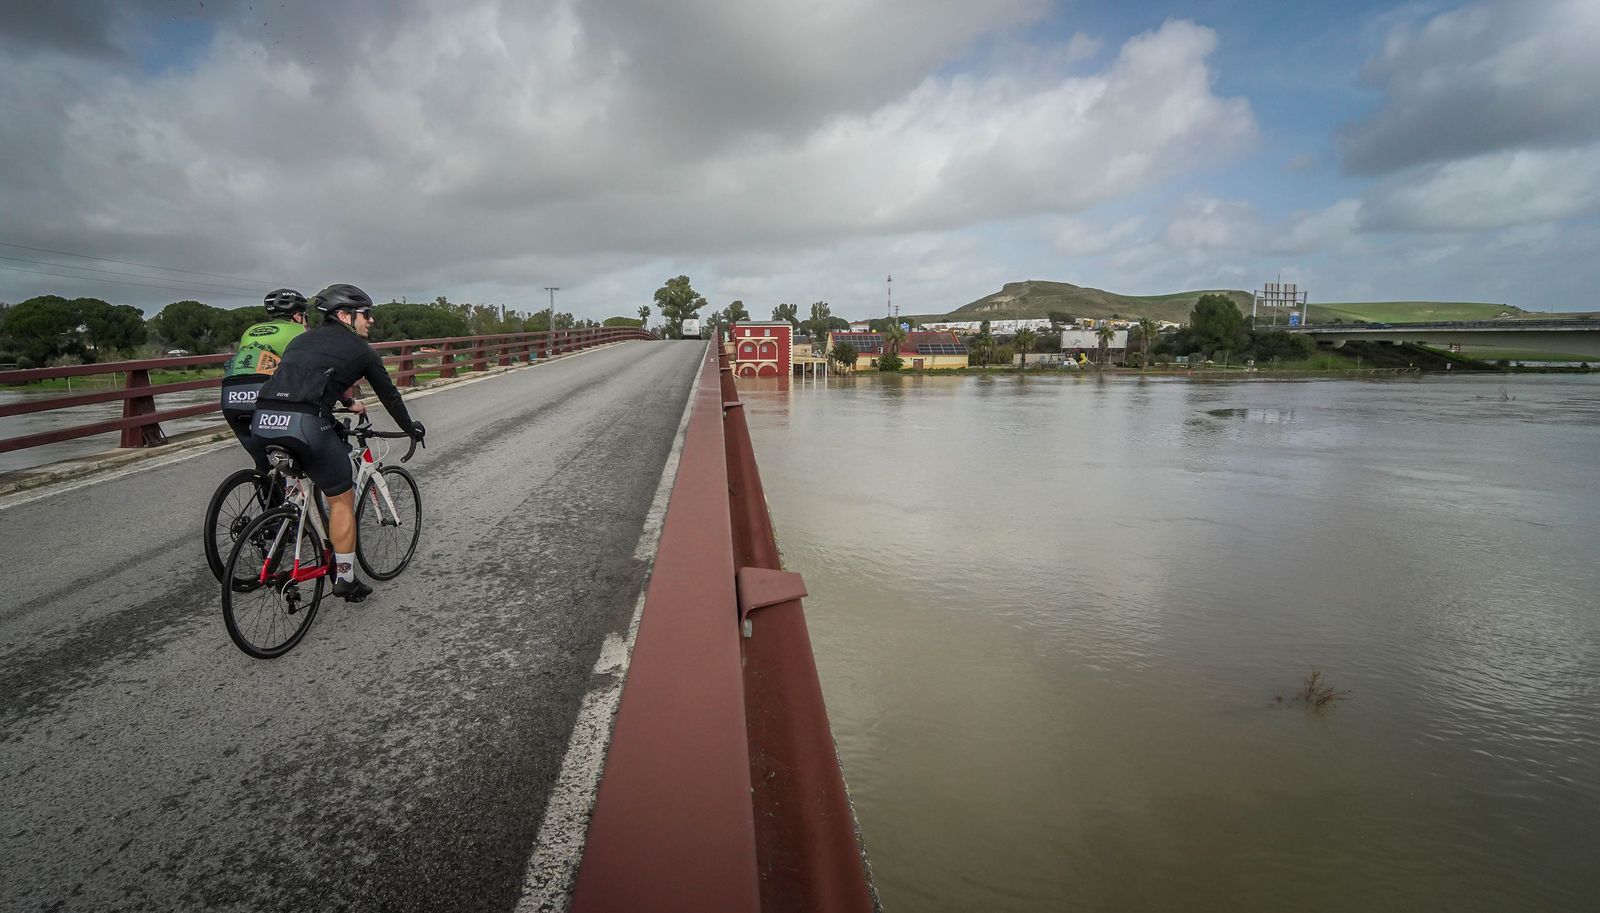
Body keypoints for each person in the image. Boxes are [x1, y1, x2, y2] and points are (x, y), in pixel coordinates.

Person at [251, 284, 425, 602]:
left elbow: (305, 382)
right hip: (305, 425)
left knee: (306, 467)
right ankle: (345, 578)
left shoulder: (300, 340)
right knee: (341, 499)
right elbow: (390, 396)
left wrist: (336, 410)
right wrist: (410, 428)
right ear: (345, 316)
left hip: (262, 420)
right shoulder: (362, 351)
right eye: (366, 314)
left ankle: (289, 513)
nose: (370, 320)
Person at [219, 288, 311, 471]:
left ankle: (263, 481)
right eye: (304, 316)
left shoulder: (250, 330)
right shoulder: (300, 330)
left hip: (231, 394)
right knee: (299, 452)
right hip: (265, 393)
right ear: (297, 316)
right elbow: (312, 367)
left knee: (263, 463)